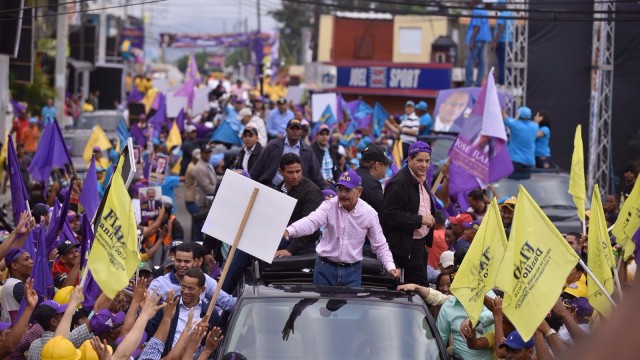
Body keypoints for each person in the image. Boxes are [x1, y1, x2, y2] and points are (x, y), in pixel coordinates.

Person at [284, 169, 401, 286]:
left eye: (348, 190)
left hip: (352, 271)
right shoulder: (329, 206)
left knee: (350, 305)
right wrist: (290, 230)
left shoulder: (369, 213)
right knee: (321, 304)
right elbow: (312, 221)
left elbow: (379, 244)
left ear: (359, 191)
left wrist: (390, 266)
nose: (343, 194)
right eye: (340, 189)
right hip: (325, 269)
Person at [381, 141, 436, 286]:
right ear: (409, 160)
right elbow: (389, 215)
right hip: (404, 249)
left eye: (427, 161)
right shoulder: (398, 183)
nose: (424, 165)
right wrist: (420, 219)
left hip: (418, 245)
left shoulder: (420, 178)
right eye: (419, 160)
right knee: (415, 289)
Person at [145, 268, 222, 357]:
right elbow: (150, 332)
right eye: (183, 286)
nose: (185, 291)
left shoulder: (210, 314)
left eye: (191, 289)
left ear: (202, 289)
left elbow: (212, 344)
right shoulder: (169, 305)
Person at [148, 243, 236, 309]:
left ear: (195, 261)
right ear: (174, 260)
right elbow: (147, 306)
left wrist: (247, 306)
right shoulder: (159, 284)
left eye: (186, 261)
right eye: (178, 260)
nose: (182, 265)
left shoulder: (205, 280)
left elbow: (228, 303)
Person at [250, 119, 324, 189]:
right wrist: (248, 181)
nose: (294, 131)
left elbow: (316, 174)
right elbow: (258, 167)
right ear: (286, 130)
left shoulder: (307, 150)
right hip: (272, 187)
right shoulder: (273, 145)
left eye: (297, 129)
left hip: (297, 191)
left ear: (301, 131)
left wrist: (324, 190)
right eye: (292, 128)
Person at [27, 300, 94, 360]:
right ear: (54, 322)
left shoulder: (34, 345)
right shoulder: (67, 340)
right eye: (63, 315)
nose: (66, 317)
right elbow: (89, 325)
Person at [355, 144, 392, 213]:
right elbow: (385, 211)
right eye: (386, 165)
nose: (387, 168)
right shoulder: (372, 184)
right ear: (377, 166)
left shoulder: (355, 173)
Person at [1, 248, 33, 323]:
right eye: (26, 259)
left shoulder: (11, 283)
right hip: (17, 333)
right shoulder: (15, 285)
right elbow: (39, 310)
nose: (31, 261)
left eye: (30, 258)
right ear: (14, 265)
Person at [465, 0, 491, 87]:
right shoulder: (483, 10)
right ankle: (478, 82)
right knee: (481, 61)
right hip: (483, 39)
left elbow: (477, 27)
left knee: (470, 61)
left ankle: (469, 82)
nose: (470, 2)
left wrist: (472, 40)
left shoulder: (476, 10)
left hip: (476, 39)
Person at [192, 144, 218, 231]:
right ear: (202, 153)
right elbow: (207, 188)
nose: (208, 155)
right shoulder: (200, 168)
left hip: (209, 202)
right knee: (203, 230)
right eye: (206, 153)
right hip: (203, 204)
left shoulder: (207, 163)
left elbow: (214, 179)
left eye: (209, 152)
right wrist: (221, 189)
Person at [311, 124, 341, 189]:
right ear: (317, 135)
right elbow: (310, 173)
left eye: (327, 134)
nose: (325, 137)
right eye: (322, 134)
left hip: (333, 185)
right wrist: (322, 181)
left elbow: (337, 169)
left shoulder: (331, 149)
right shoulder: (311, 150)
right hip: (318, 187)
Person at [492, 0, 513, 85]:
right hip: (510, 41)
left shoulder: (502, 15)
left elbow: (500, 30)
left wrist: (494, 42)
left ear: (501, 6)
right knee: (508, 63)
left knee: (501, 63)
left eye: (498, 6)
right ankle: (509, 83)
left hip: (502, 42)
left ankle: (502, 83)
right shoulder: (511, 13)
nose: (497, 8)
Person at [184, 149, 201, 243]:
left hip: (191, 197)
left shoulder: (193, 165)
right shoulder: (193, 168)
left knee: (195, 222)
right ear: (193, 158)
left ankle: (193, 241)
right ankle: (196, 242)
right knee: (198, 221)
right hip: (191, 199)